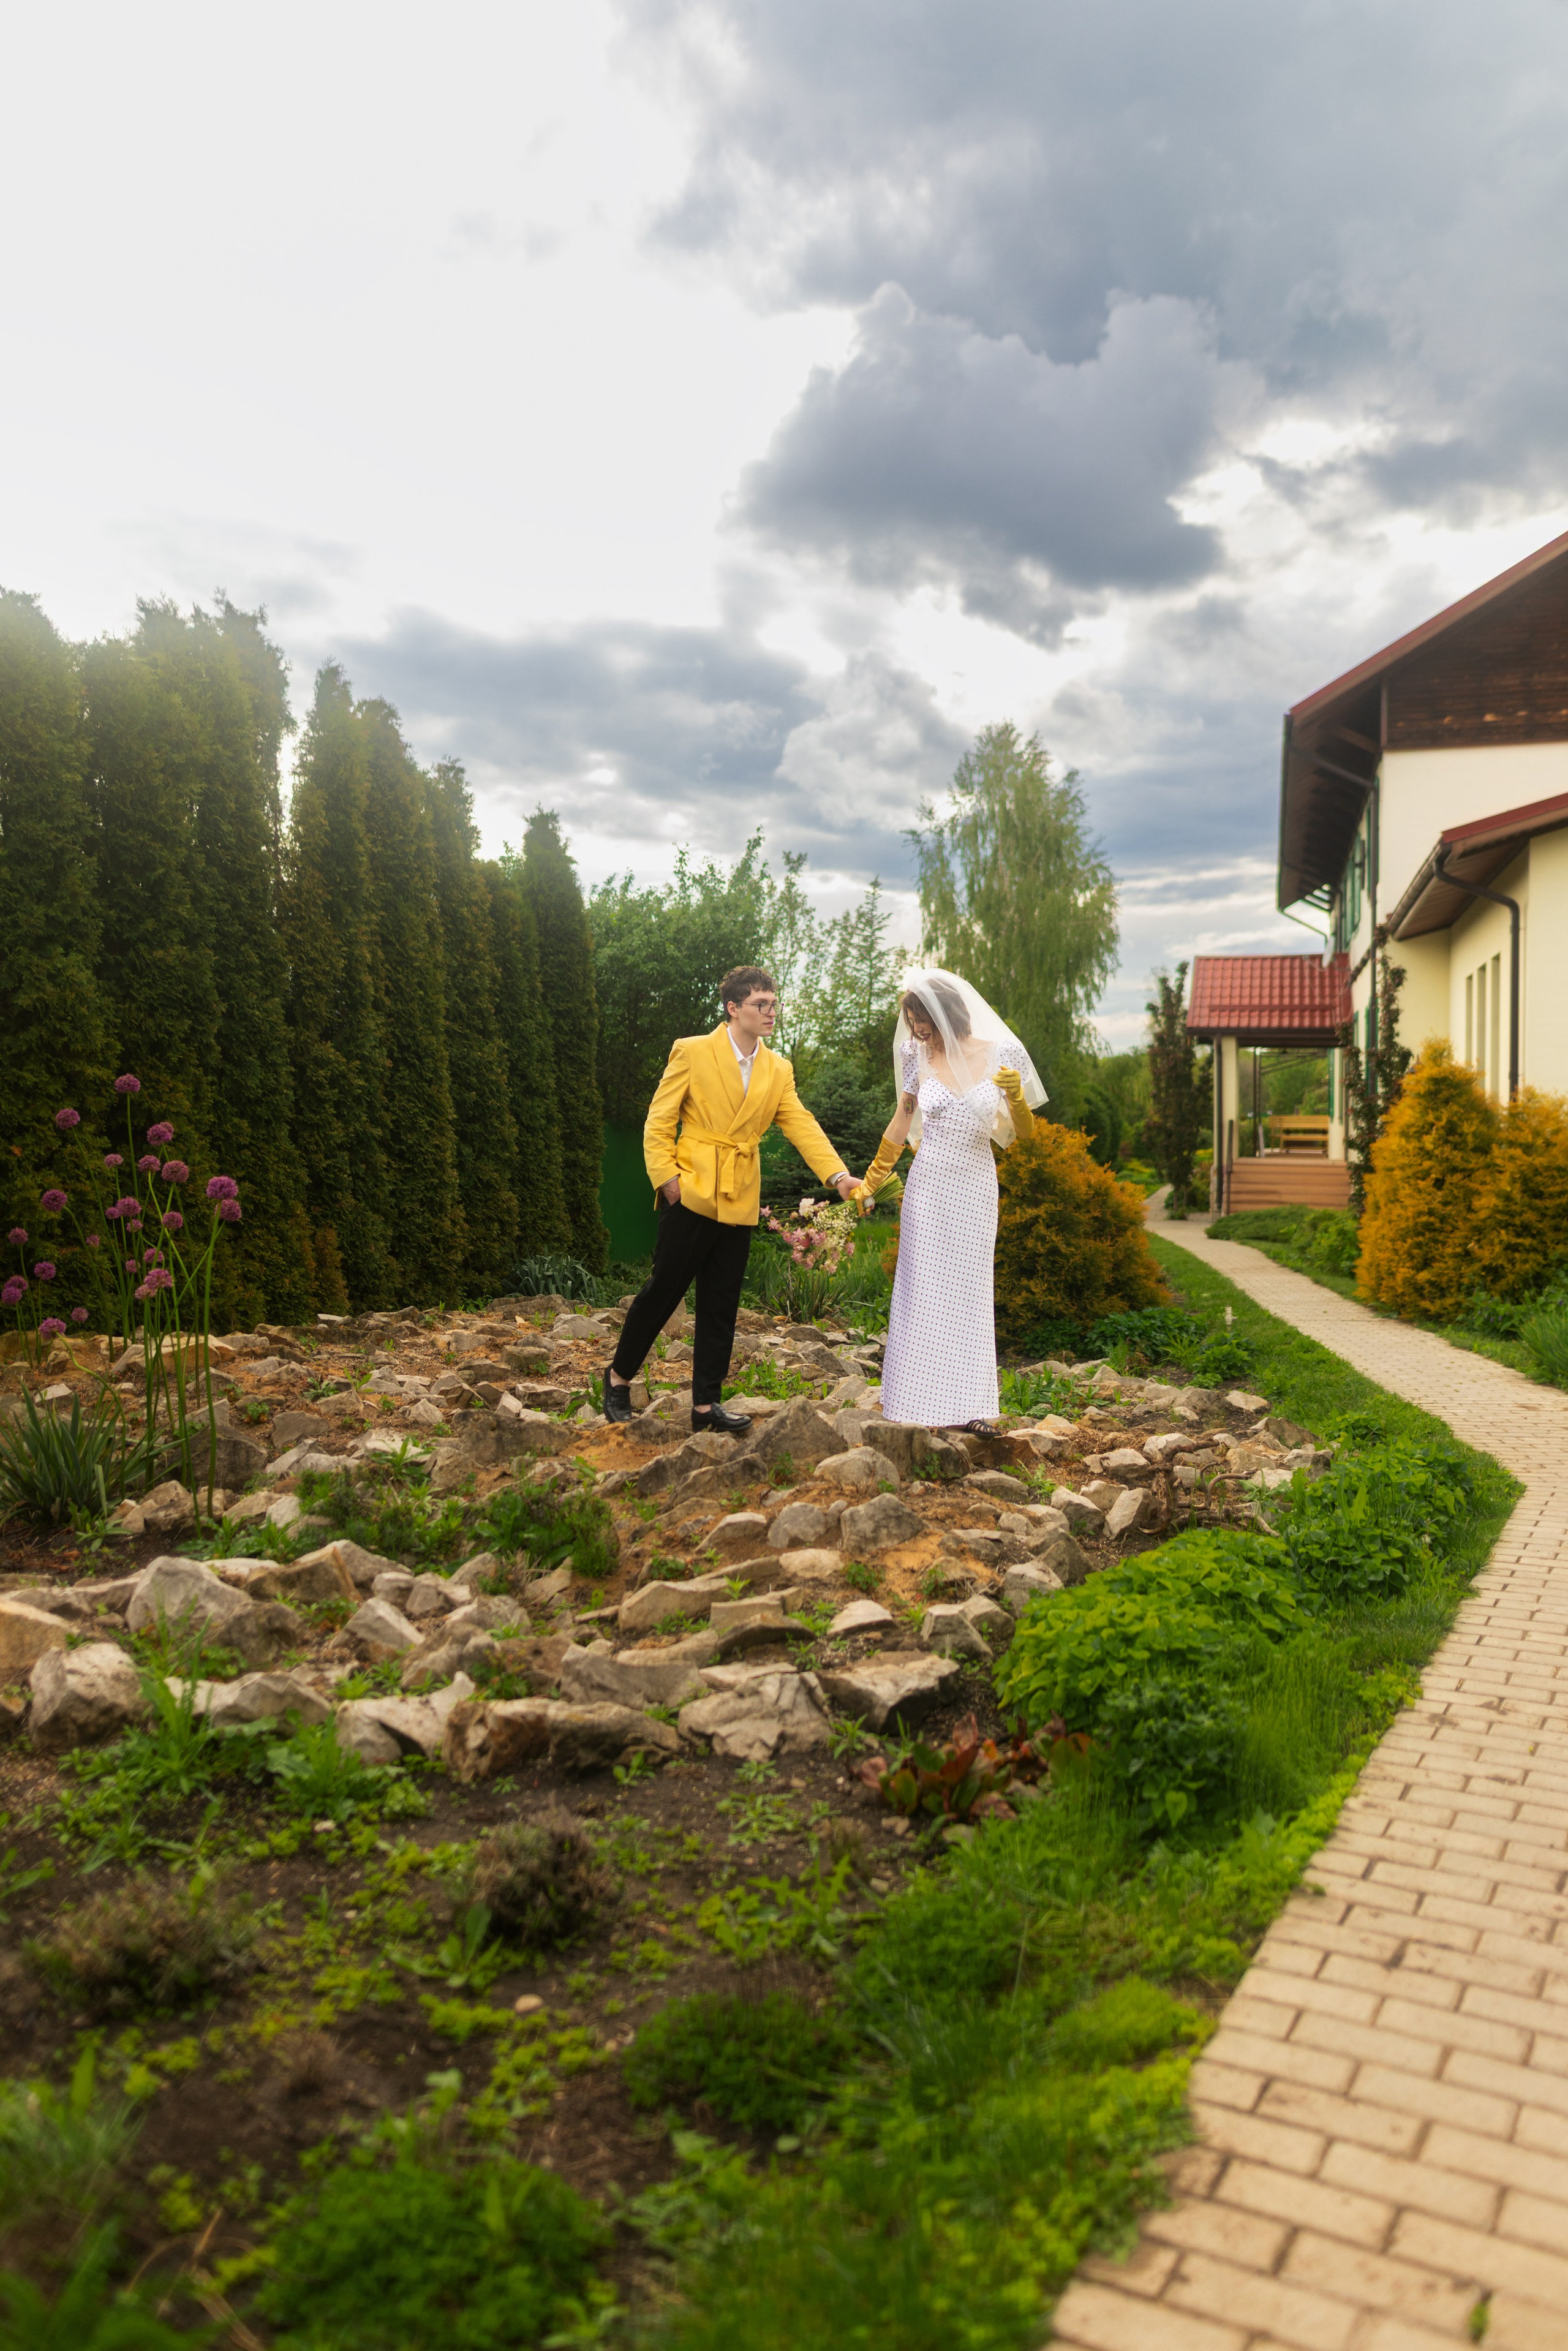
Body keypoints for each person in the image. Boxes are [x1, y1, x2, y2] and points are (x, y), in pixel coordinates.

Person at [604, 965, 861, 1435]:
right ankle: (619, 1378)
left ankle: (706, 1408)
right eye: (761, 1004)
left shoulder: (778, 1069)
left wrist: (838, 1176)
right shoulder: (692, 1051)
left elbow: (800, 1123)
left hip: (741, 1195)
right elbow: (658, 1121)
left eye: (774, 1003)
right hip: (693, 1190)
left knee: (721, 1304)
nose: (771, 1012)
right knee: (663, 1292)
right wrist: (668, 1181)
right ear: (733, 1008)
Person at [860, 969, 1046, 1432]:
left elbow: (1022, 1134)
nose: (918, 1029)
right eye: (911, 1020)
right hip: (929, 1185)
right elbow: (902, 1123)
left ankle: (973, 1407)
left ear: (949, 1014)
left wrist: (1016, 1096)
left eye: (923, 1019)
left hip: (976, 1185)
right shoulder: (913, 1056)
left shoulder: (1002, 1055)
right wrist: (869, 1183)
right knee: (924, 1288)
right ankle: (914, 1402)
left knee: (970, 1290)